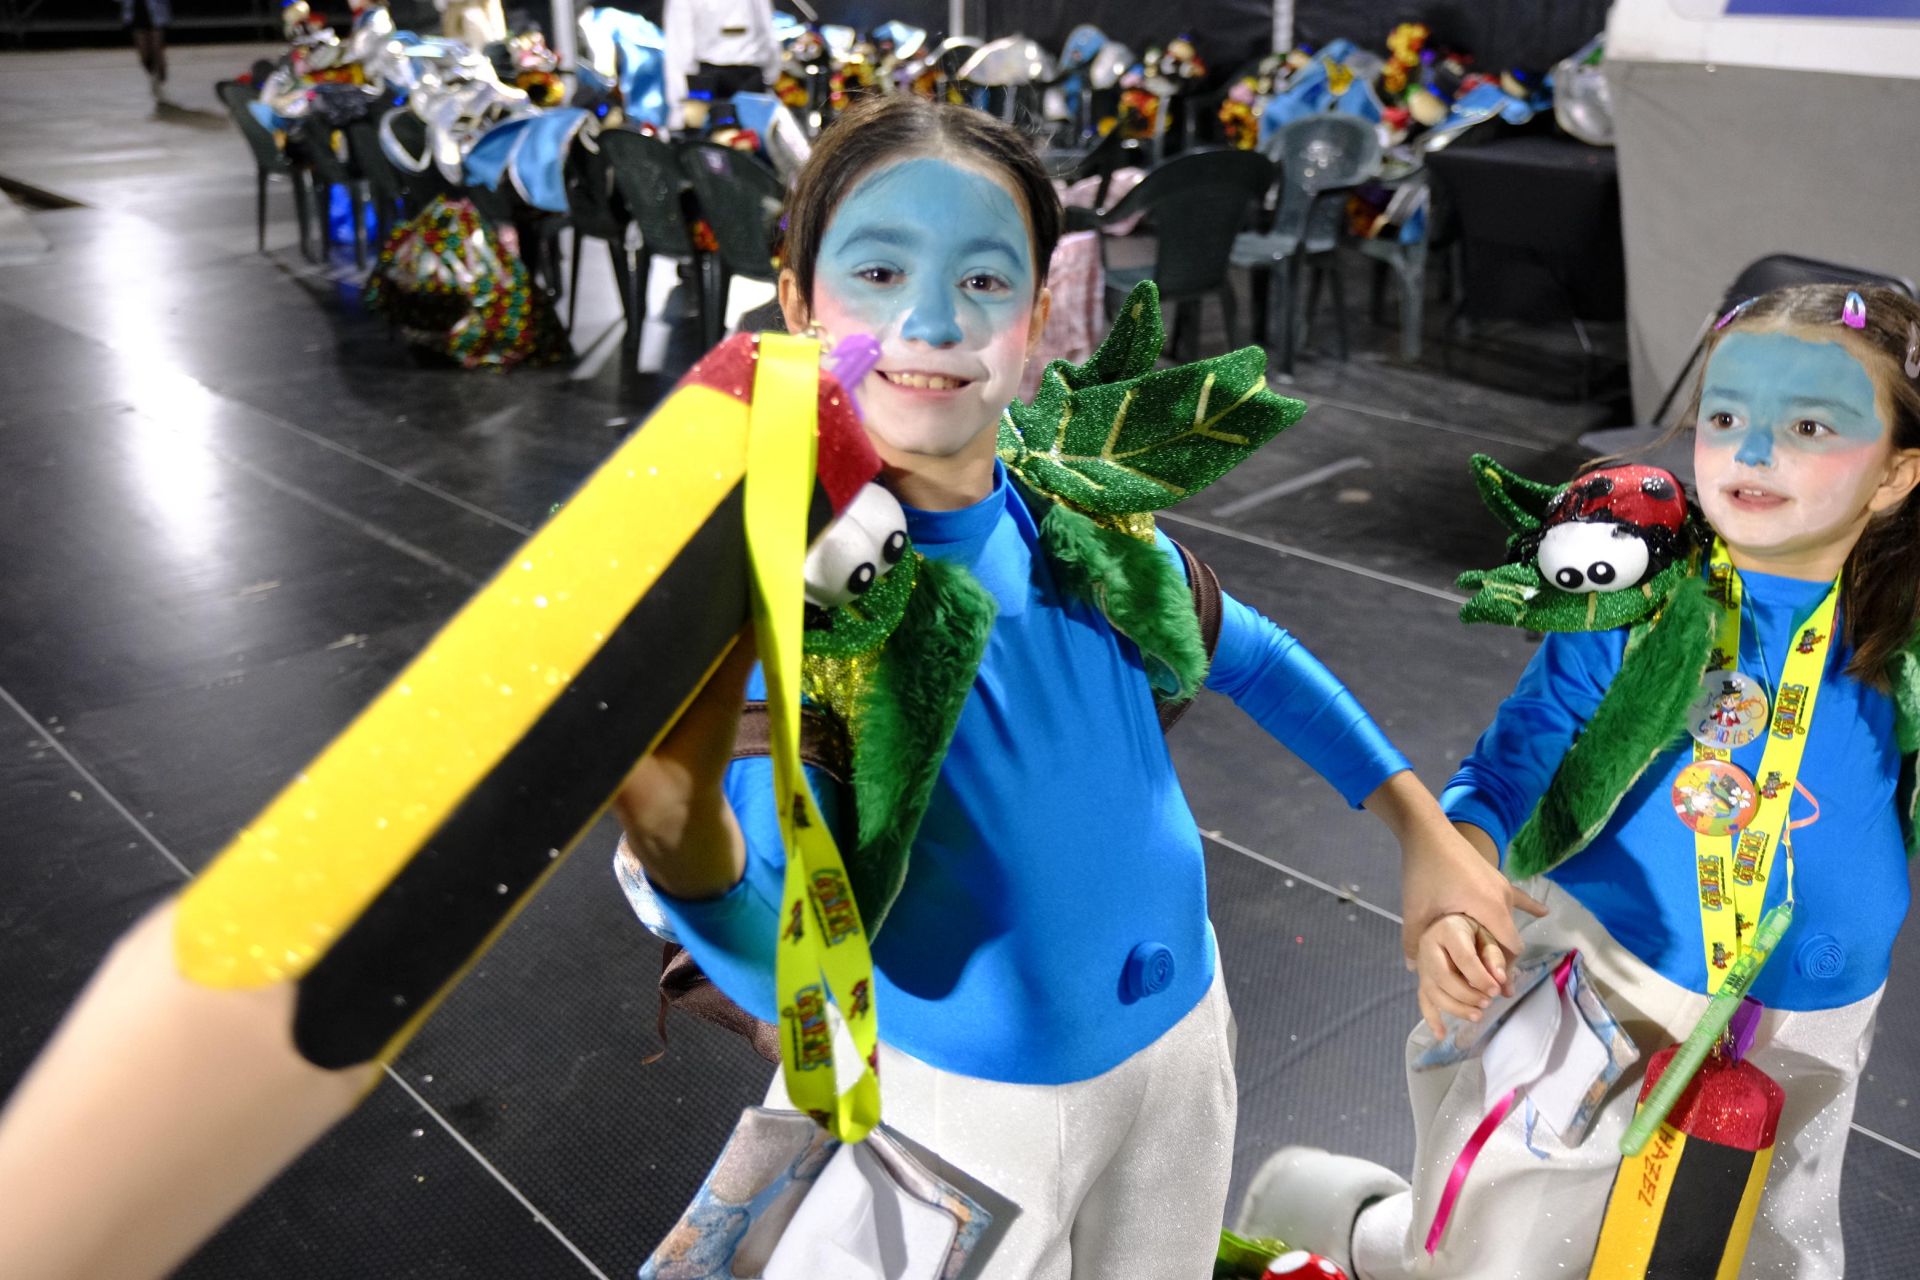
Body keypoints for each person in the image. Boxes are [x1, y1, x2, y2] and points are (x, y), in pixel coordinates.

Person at [612, 92, 1536, 1279]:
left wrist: (1419, 828)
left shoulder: (1084, 517)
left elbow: (1244, 646)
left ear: (1042, 313)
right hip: (970, 1107)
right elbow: (790, 959)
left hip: (1185, 1041)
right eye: (878, 270)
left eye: (986, 280)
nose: (932, 318)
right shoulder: (797, 618)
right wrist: (690, 845)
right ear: (795, 304)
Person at [1244, 283, 1920, 1279]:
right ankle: (1357, 1228)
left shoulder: (1899, 636)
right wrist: (1461, 878)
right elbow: (1522, 747)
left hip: (1818, 1023)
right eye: (1727, 416)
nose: (1754, 449)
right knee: (1506, 1239)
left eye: (1811, 423)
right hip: (1613, 992)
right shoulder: (1643, 599)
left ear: (1897, 474)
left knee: (1766, 1248)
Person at [662, 0, 782, 130]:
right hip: (745, 75)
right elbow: (768, 31)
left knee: (714, 143)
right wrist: (771, 75)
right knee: (750, 139)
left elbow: (680, 47)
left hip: (711, 79)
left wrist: (679, 103)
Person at [120, 0, 169, 101]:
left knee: (157, 48)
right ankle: (153, 75)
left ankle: (161, 77)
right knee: (144, 55)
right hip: (136, 16)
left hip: (156, 16)